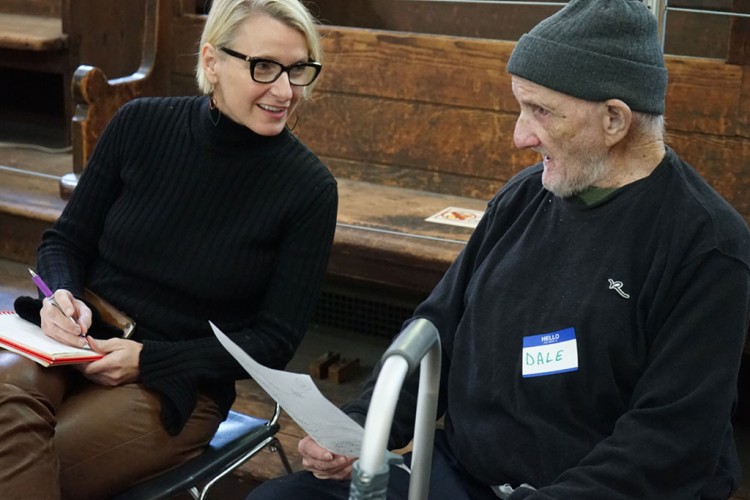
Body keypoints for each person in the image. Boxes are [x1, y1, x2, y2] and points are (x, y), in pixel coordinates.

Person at [248, 0, 750, 498]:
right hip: (463, 471)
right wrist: (362, 428)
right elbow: (436, 326)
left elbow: (671, 442)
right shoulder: (526, 195)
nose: (520, 136)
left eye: (540, 111)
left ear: (615, 121)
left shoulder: (705, 247)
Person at [0, 0, 337, 497]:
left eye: (298, 69)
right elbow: (64, 241)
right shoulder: (139, 124)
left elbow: (273, 342)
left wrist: (149, 360)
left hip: (176, 382)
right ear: (211, 61)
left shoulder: (308, 188)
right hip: (70, 338)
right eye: (264, 66)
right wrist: (60, 296)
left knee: (29, 461)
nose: (285, 90)